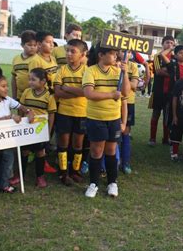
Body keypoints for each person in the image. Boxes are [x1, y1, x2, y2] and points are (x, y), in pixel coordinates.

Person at [82, 43, 129, 198]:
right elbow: (89, 93)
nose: (115, 56)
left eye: (116, 53)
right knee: (96, 151)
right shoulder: (91, 71)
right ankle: (93, 183)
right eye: (112, 53)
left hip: (113, 118)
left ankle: (112, 182)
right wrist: (110, 95)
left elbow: (125, 93)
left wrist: (125, 73)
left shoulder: (118, 71)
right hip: (96, 118)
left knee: (111, 151)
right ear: (101, 55)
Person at [0, 67, 32, 193]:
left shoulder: (6, 99)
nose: (7, 88)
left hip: (7, 136)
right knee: (7, 158)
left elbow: (20, 106)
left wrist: (29, 112)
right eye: (3, 86)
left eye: (7, 86)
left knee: (3, 158)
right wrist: (9, 117)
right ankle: (3, 185)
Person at [53, 39, 88, 185]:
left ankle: (75, 171)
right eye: (67, 50)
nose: (68, 54)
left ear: (82, 54)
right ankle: (63, 173)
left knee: (78, 145)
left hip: (81, 113)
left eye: (73, 51)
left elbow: (87, 92)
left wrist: (67, 88)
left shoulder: (87, 71)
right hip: (64, 112)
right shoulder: (61, 70)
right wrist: (78, 92)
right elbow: (57, 93)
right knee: (63, 144)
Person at [18, 68, 56, 188]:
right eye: (29, 79)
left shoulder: (49, 96)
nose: (30, 82)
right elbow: (21, 108)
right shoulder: (26, 92)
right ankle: (20, 175)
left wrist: (48, 131)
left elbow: (51, 115)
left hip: (40, 130)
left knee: (40, 152)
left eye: (33, 80)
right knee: (24, 151)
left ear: (43, 81)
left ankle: (40, 176)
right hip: (27, 128)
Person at [148, 35, 175, 146]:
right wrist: (171, 73)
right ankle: (152, 138)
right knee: (156, 114)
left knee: (167, 116)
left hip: (170, 91)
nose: (169, 45)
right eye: (167, 42)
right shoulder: (157, 56)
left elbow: (175, 73)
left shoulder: (174, 58)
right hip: (158, 91)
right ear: (163, 44)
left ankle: (166, 138)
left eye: (171, 43)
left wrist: (168, 71)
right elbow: (158, 72)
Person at [119, 50, 139, 174]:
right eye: (122, 50)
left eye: (129, 51)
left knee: (125, 132)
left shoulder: (133, 66)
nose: (126, 53)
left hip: (128, 102)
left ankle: (125, 161)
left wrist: (124, 76)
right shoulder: (112, 64)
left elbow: (135, 85)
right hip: (113, 101)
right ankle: (113, 161)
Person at [11, 30, 37, 100]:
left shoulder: (37, 59)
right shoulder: (16, 59)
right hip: (20, 96)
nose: (33, 47)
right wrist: (14, 96)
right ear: (22, 45)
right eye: (29, 45)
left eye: (35, 45)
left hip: (33, 97)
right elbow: (14, 78)